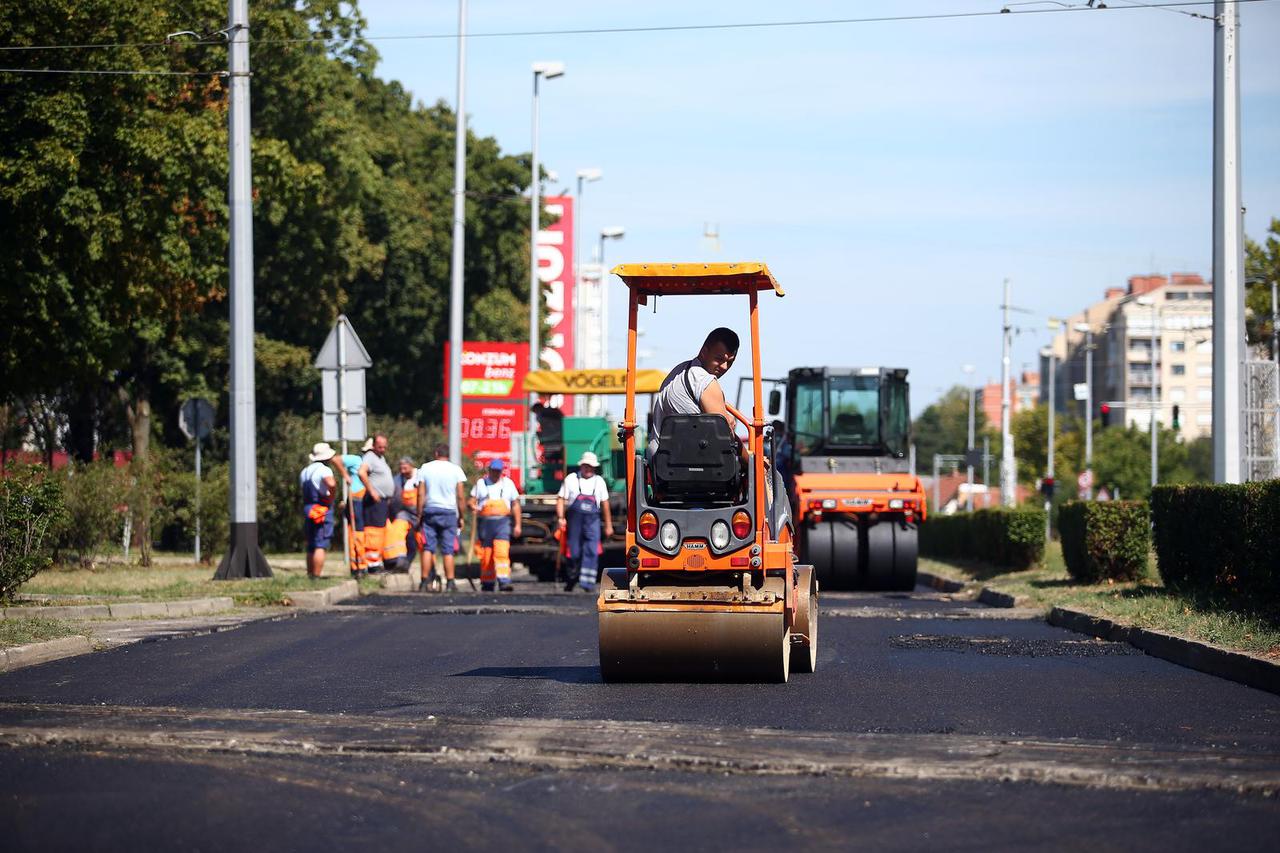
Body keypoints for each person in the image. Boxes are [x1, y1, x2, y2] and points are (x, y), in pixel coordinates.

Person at [648, 327, 741, 457]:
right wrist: (752, 460)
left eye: (730, 362)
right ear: (704, 352)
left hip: (659, 460)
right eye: (719, 359)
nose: (724, 367)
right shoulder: (705, 381)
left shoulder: (677, 372)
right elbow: (725, 437)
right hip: (690, 465)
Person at [556, 451, 613, 593]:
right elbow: (561, 499)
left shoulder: (599, 481)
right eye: (586, 466)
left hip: (592, 521)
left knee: (592, 551)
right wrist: (560, 517)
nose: (589, 469)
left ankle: (588, 584)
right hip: (575, 521)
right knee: (573, 552)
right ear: (581, 466)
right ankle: (570, 580)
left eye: (591, 466)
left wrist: (608, 525)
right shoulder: (571, 479)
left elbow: (605, 504)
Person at [416, 443, 467, 593]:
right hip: (449, 512)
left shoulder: (425, 468)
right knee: (448, 549)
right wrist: (461, 516)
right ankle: (450, 582)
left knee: (428, 547)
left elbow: (420, 494)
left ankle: (424, 581)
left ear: (436, 453)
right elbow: (461, 496)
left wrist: (419, 515)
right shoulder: (455, 470)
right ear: (448, 454)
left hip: (430, 510)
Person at [469, 459, 522, 593]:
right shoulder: (481, 484)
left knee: (501, 551)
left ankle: (504, 581)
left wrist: (517, 525)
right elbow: (471, 500)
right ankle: (487, 582)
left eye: (498, 471)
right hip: (485, 524)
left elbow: (515, 505)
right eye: (493, 470)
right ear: (489, 470)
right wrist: (472, 505)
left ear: (502, 471)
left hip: (502, 523)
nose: (495, 473)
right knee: (487, 554)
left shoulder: (508, 484)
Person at [300, 442, 339, 579]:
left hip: (308, 508)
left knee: (311, 544)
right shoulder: (324, 470)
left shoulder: (305, 471)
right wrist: (331, 497)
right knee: (320, 544)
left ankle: (310, 574)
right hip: (321, 509)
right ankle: (316, 576)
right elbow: (331, 484)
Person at [358, 434, 394, 573]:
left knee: (380, 530)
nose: (383, 449)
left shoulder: (381, 458)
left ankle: (377, 561)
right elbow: (362, 473)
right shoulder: (370, 456)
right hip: (374, 501)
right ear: (373, 446)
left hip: (382, 501)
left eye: (385, 447)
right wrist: (372, 491)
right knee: (374, 531)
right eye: (380, 446)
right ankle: (372, 564)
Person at [381, 456, 418, 573]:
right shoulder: (397, 480)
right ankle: (400, 562)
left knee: (420, 542)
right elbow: (392, 497)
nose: (402, 470)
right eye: (401, 468)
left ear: (411, 466)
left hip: (420, 514)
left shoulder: (420, 477)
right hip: (404, 513)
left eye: (405, 468)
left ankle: (429, 571)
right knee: (398, 534)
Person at [338, 448, 367, 577]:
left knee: (365, 533)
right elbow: (336, 459)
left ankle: (363, 564)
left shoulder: (375, 461)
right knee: (356, 532)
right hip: (356, 499)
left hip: (365, 500)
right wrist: (345, 475)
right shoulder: (356, 460)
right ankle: (357, 566)